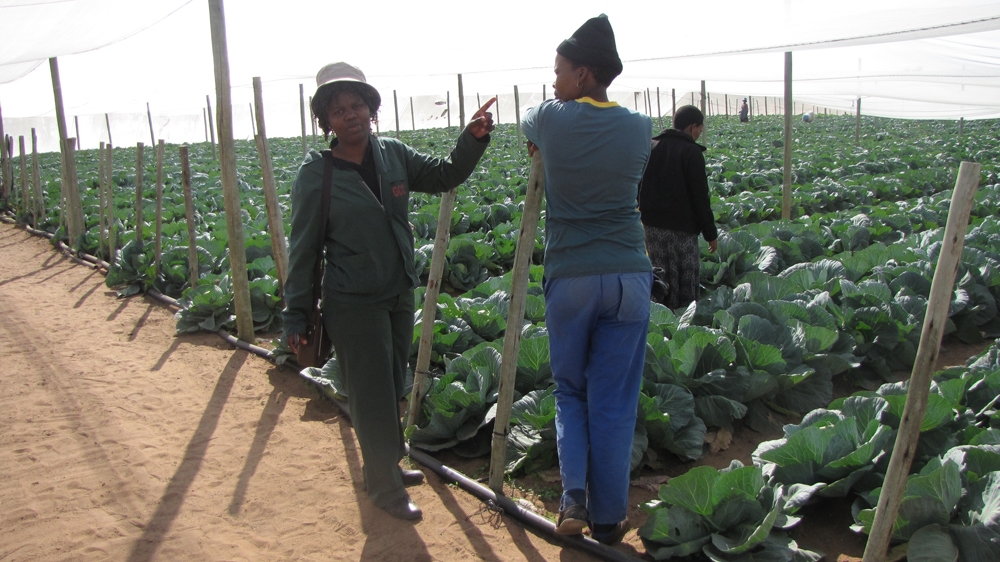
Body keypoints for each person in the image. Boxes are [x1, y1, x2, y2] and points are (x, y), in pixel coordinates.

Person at [282, 62, 495, 521]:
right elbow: (302, 253)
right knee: (372, 392)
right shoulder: (315, 176)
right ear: (326, 121)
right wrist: (295, 315)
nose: (350, 114)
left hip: (398, 292)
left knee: (392, 382)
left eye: (357, 104)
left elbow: (443, 176)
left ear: (371, 109)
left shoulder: (392, 154)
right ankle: (383, 486)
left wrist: (472, 139)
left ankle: (389, 465)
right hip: (351, 300)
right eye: (338, 110)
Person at [520, 14, 653, 546]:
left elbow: (527, 118)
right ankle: (608, 518)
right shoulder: (641, 126)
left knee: (571, 390)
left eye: (559, 72)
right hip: (630, 277)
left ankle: (573, 495)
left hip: (572, 275)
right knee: (615, 399)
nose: (554, 82)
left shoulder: (553, 120)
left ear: (582, 75)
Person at [638, 105, 718, 310]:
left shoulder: (650, 146)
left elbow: (637, 185)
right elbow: (700, 197)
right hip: (682, 231)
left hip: (652, 228)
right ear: (692, 127)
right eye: (700, 128)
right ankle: (683, 318)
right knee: (683, 278)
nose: (700, 133)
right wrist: (710, 233)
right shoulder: (691, 152)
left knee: (658, 275)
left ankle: (658, 317)